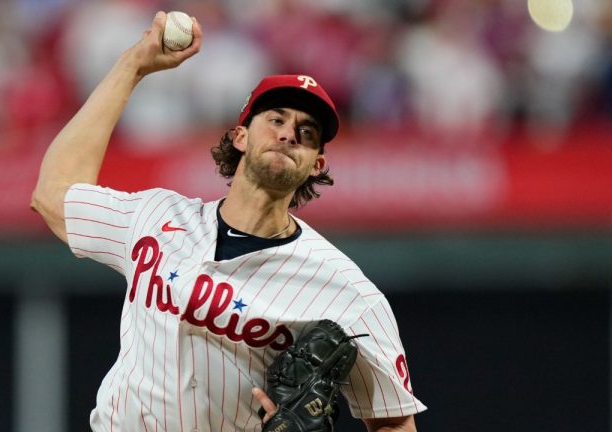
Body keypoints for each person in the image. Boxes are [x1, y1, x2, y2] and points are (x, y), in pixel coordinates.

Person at [31, 11, 426, 432]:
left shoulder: (348, 292)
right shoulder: (155, 216)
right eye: (276, 119)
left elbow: (394, 424)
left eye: (307, 132)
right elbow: (52, 194)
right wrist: (133, 65)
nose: (290, 133)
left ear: (317, 165)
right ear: (240, 136)